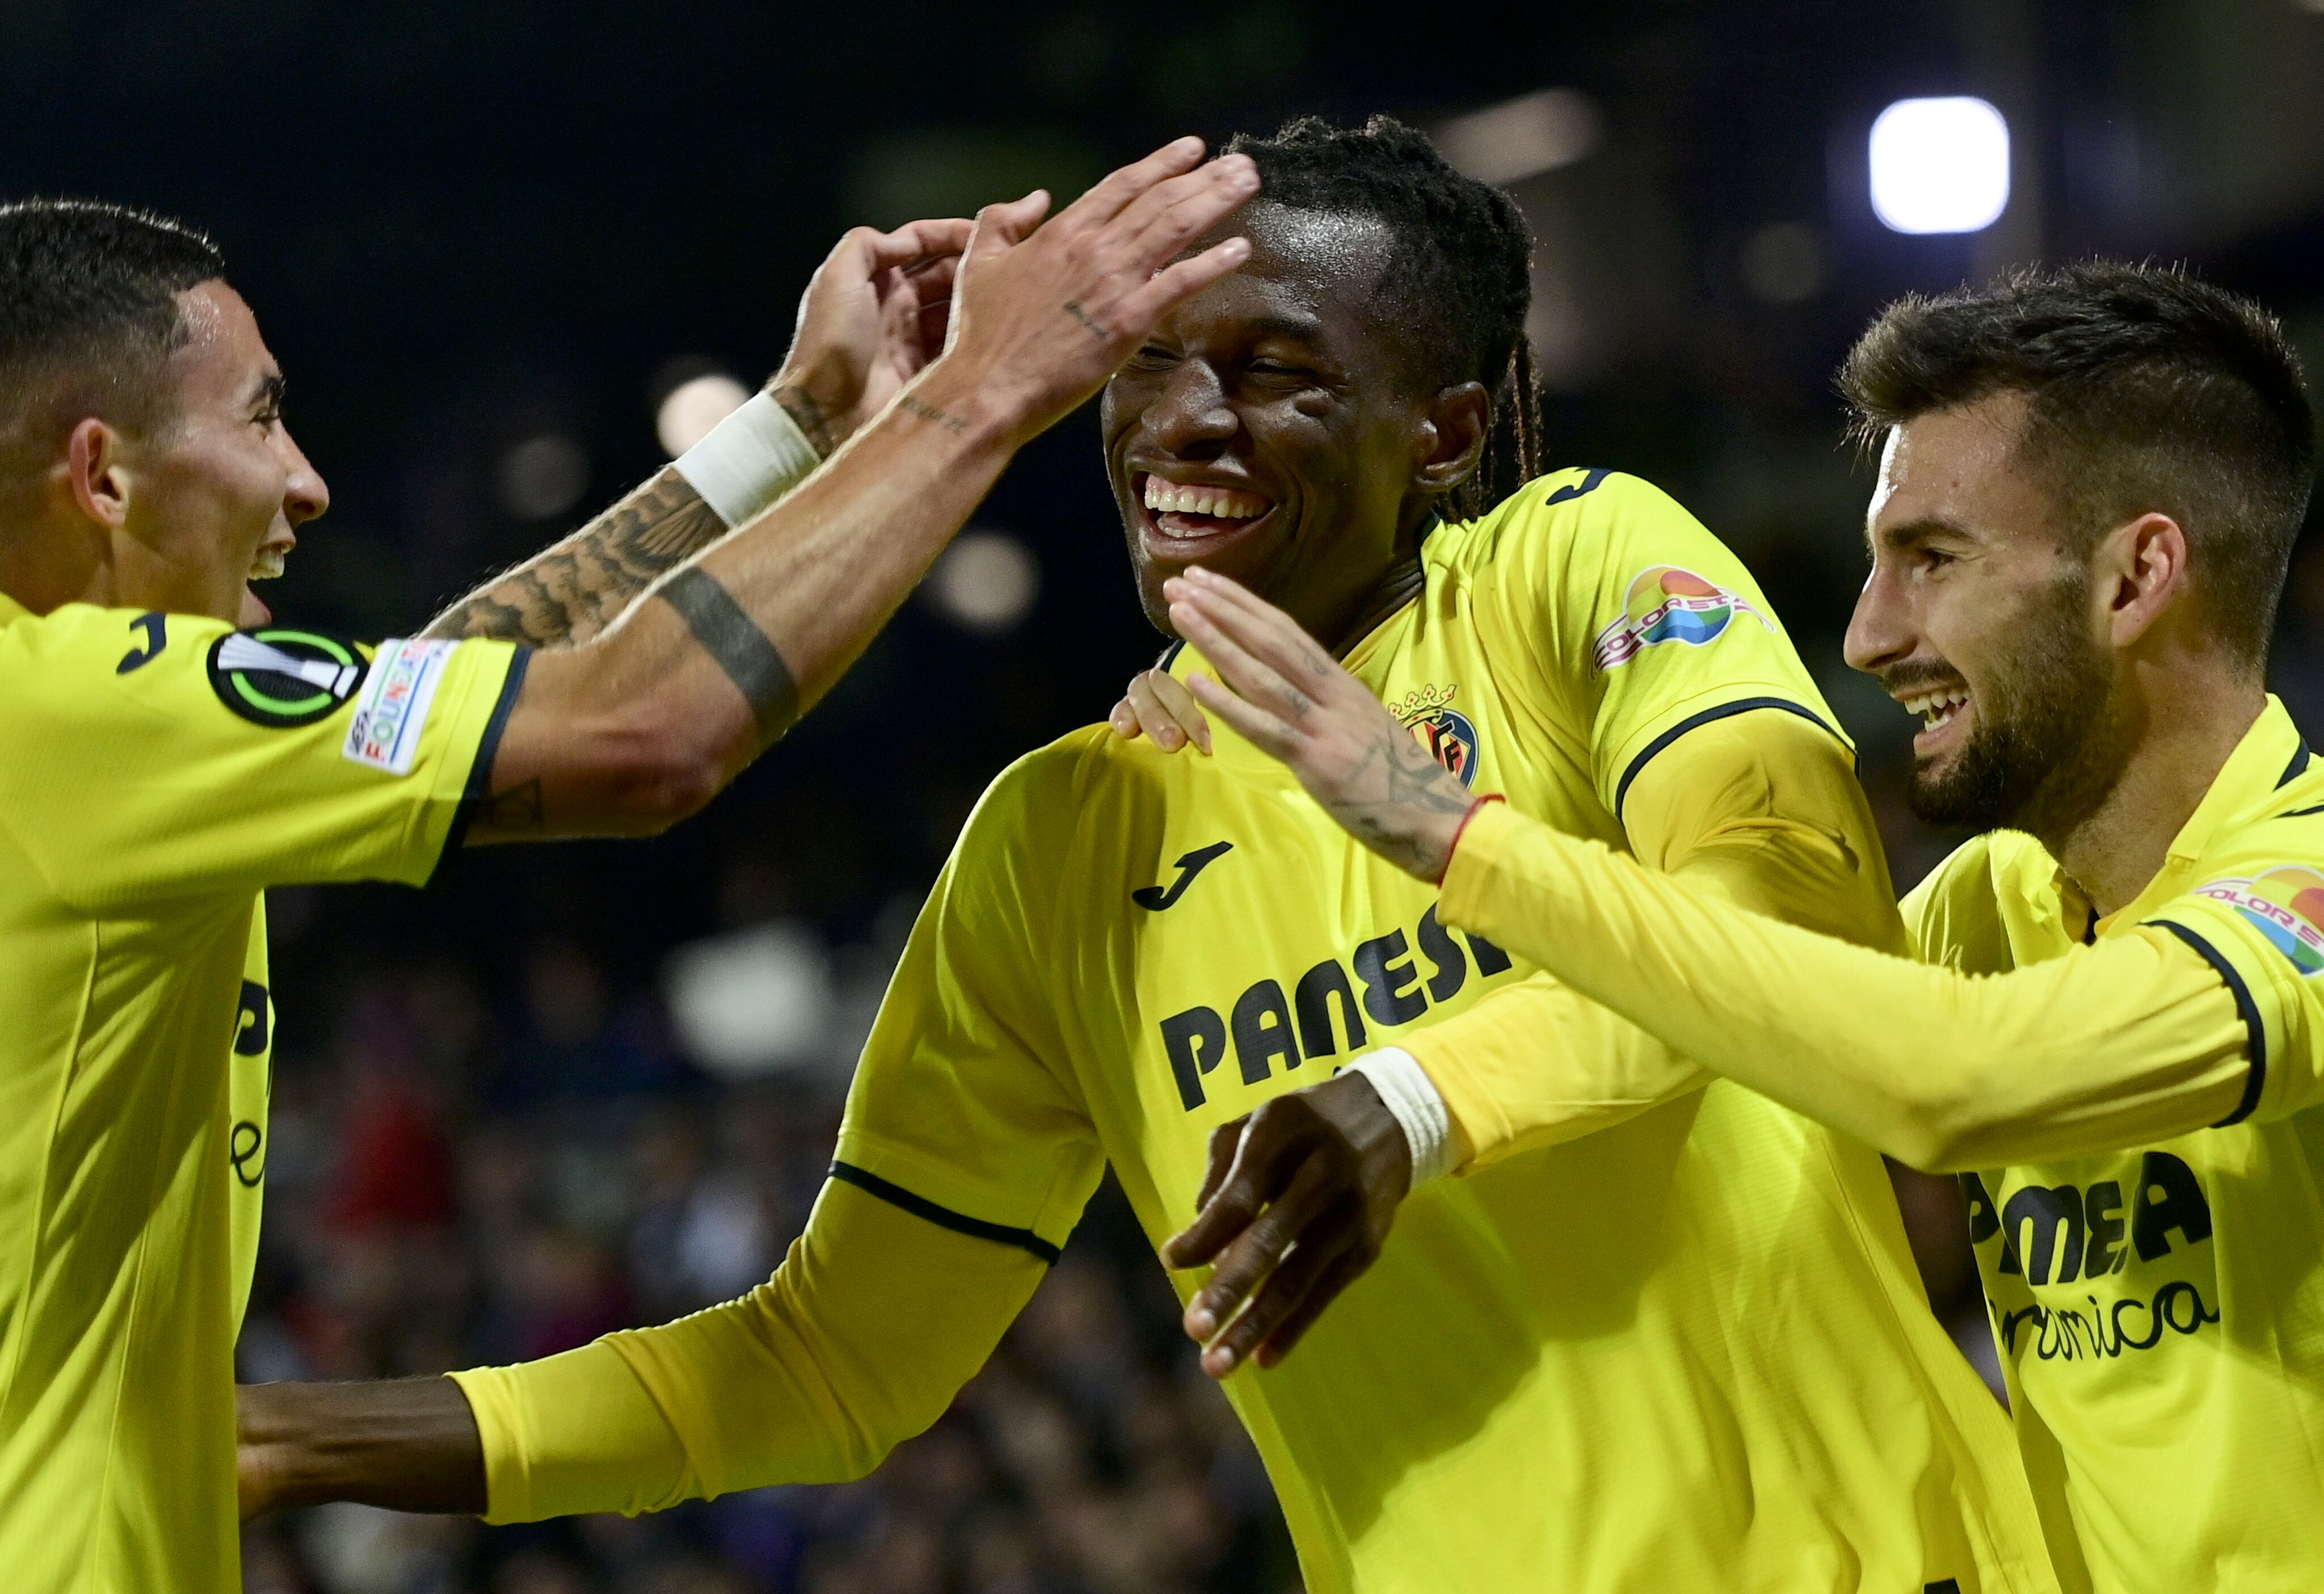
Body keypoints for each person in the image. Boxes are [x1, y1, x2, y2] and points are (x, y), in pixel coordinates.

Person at [238, 118, 2057, 1594]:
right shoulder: (1067, 839)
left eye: (1275, 373)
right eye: (1150, 364)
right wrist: (292, 1439)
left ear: (1444, 434)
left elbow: (1789, 918)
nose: (1184, 422)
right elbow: (825, 1362)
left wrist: (1411, 1103)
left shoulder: (1568, 569)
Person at [0, 139, 1256, 1594]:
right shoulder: (66, 718)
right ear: (102, 477)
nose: (307, 480)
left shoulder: (89, 734)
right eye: (263, 419)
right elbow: (647, 731)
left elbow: (457, 687)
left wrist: (801, 423)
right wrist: (989, 388)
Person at [1160, 260, 2322, 1594]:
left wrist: (1456, 836)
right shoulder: (1981, 911)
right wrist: (1202, 726)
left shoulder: (2300, 893)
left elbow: (1961, 1076)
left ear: (2136, 578)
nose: (1868, 632)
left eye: (1931, 559)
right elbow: (1714, 1006)